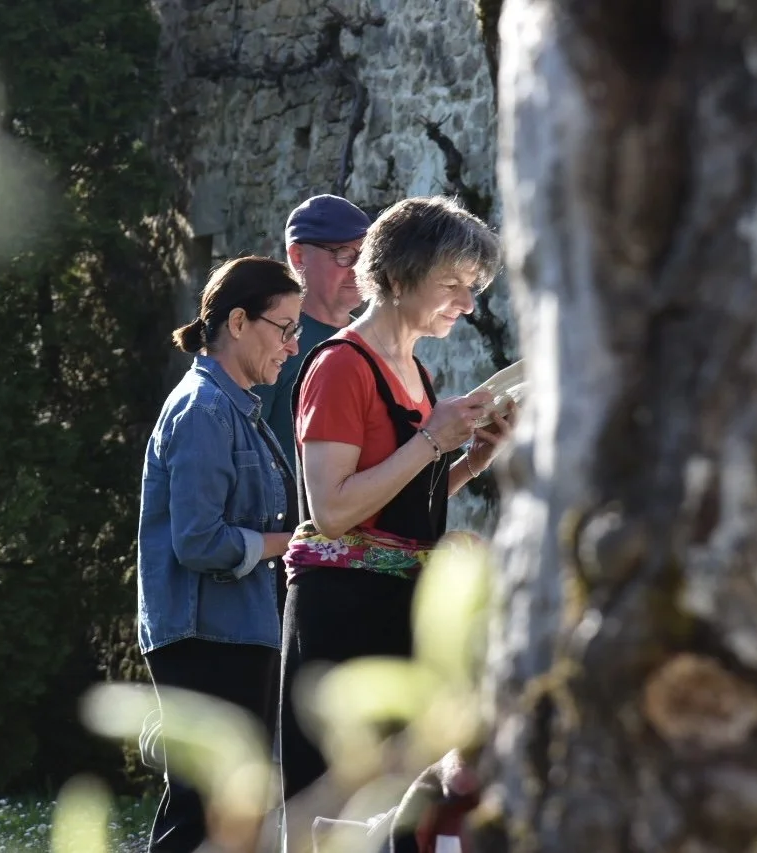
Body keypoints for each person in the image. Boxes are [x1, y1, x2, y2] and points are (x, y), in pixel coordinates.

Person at [276, 196, 512, 845]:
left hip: (396, 603)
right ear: (402, 276)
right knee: (336, 798)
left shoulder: (416, 371)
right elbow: (330, 511)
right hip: (343, 615)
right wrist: (432, 443)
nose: (466, 304)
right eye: (454, 285)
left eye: (473, 289)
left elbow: (395, 505)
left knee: (393, 803)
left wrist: (472, 458)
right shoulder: (338, 366)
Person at [136, 256, 304, 853]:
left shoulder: (234, 407)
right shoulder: (204, 410)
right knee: (203, 810)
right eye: (284, 328)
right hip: (208, 636)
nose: (293, 345)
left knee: (230, 811)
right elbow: (198, 540)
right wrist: (286, 545)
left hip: (238, 633)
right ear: (238, 322)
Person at [254, 194, 371, 471]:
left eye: (365, 256)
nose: (358, 271)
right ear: (298, 256)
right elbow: (238, 454)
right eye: (344, 255)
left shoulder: (372, 340)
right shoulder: (269, 340)